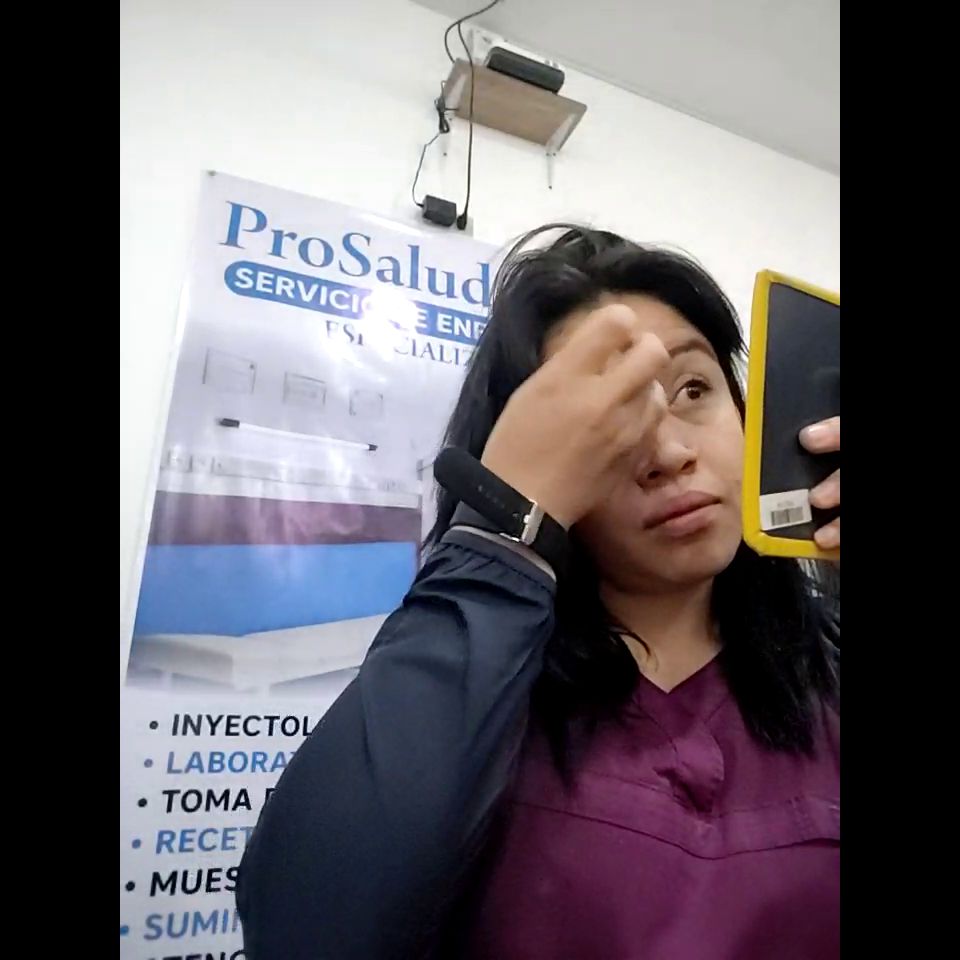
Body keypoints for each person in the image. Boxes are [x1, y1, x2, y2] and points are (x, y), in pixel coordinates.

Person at [236, 225, 840, 960]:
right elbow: (304, 930)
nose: (671, 454)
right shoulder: (476, 692)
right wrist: (500, 532)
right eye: (609, 419)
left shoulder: (822, 664)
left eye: (693, 390)